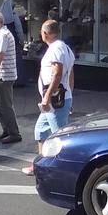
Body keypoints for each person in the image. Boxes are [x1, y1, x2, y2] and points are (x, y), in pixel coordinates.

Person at [24, 19, 74, 176]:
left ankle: (63, 170)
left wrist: (46, 97)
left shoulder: (55, 49)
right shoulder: (65, 48)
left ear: (44, 33)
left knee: (58, 136)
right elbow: (71, 74)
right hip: (60, 98)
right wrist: (70, 94)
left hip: (55, 100)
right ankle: (42, 164)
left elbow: (58, 73)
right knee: (41, 130)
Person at [0, 8, 21, 145]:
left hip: (4, 76)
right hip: (0, 76)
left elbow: (0, 55)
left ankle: (14, 133)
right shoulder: (0, 33)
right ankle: (7, 127)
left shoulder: (3, 35)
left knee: (5, 105)